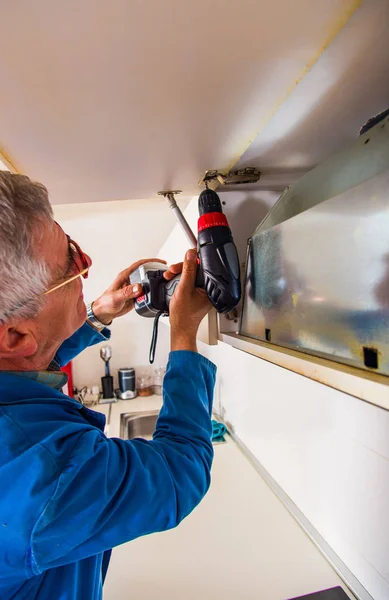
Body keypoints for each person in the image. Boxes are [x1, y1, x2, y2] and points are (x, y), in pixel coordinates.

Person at [0, 171, 216, 599]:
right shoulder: (42, 473)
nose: (86, 267)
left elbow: (20, 370)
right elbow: (180, 471)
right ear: (16, 337)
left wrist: (95, 314)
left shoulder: (13, 365)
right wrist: (183, 335)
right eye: (69, 268)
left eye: (72, 249)